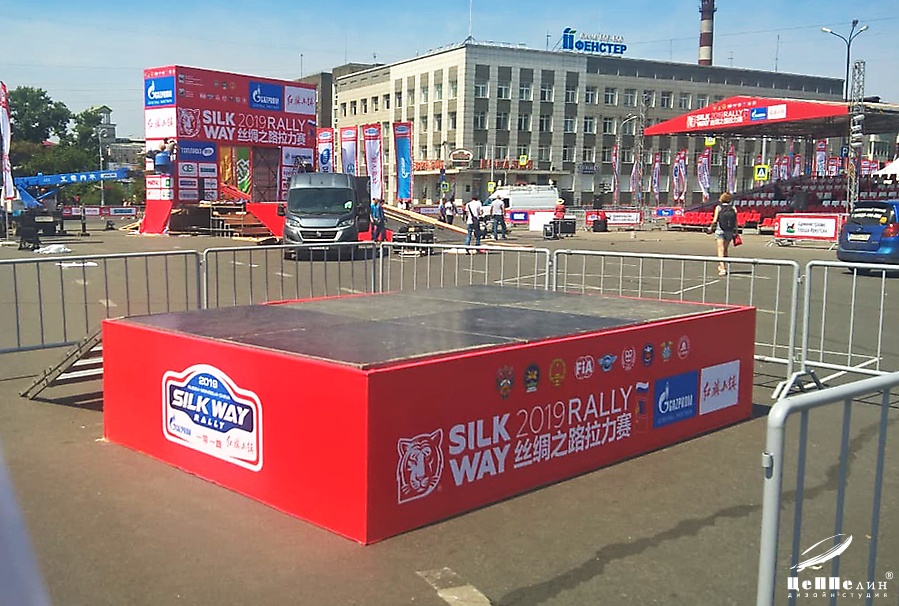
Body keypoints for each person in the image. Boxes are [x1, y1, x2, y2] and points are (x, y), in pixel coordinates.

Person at [708, 192, 738, 276]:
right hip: (730, 230)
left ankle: (722, 268)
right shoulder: (733, 208)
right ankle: (723, 266)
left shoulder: (718, 207)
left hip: (720, 229)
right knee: (725, 249)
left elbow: (715, 220)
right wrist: (736, 231)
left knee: (720, 249)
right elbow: (736, 221)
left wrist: (711, 228)